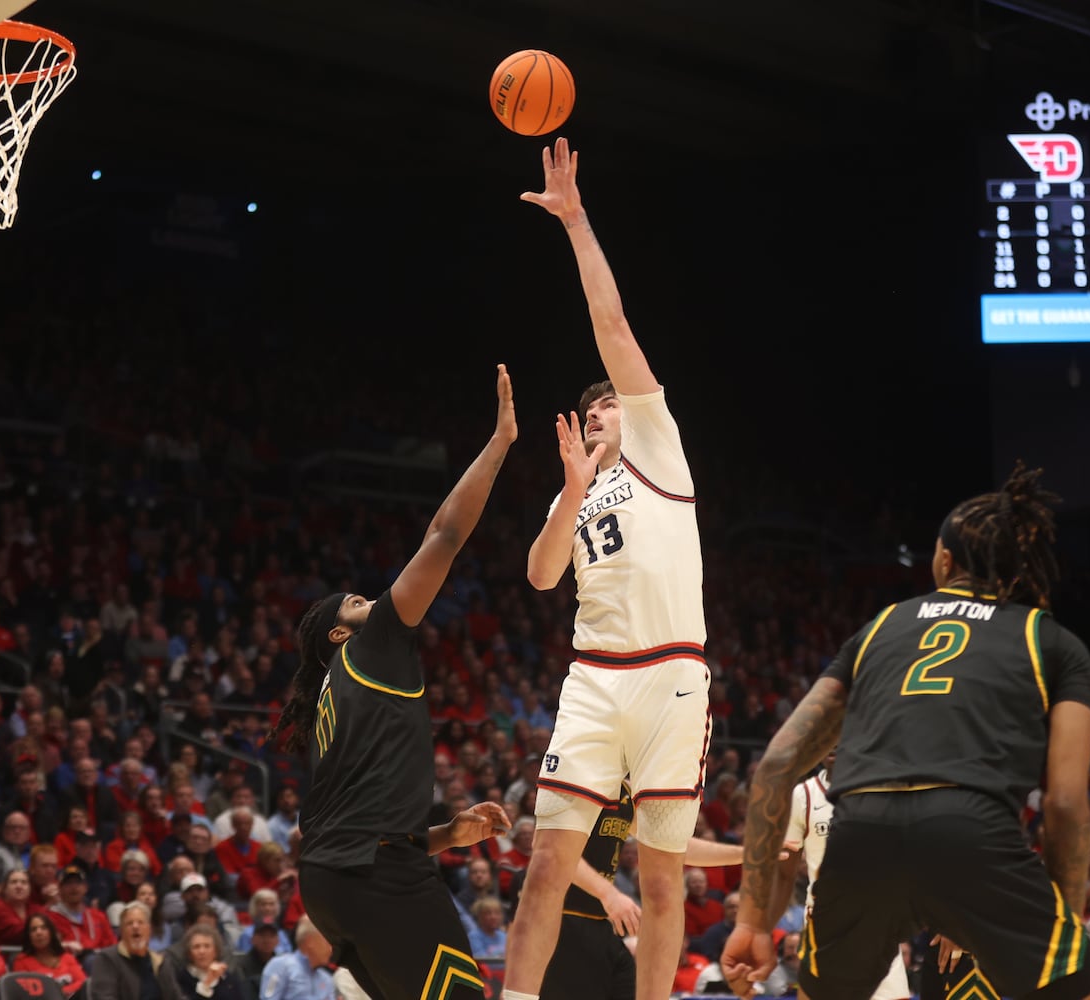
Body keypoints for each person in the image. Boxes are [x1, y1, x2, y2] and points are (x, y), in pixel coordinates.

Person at [720, 464, 1090, 1000]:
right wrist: (1060, 936)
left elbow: (775, 766)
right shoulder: (1052, 640)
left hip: (861, 833)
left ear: (945, 560)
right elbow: (1066, 803)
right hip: (971, 834)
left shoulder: (880, 627)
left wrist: (750, 923)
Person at [501, 136, 711, 1000]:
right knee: (547, 862)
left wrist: (577, 223)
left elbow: (612, 327)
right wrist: (568, 491)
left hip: (670, 676)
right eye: (586, 412)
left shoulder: (659, 448)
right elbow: (541, 577)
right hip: (594, 676)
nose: (596, 415)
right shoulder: (580, 493)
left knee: (661, 879)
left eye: (605, 409)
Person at [268, 365, 517, 1000]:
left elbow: (352, 821)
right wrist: (499, 443)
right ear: (337, 633)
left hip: (331, 884)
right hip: (378, 880)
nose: (368, 601)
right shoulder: (368, 646)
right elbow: (446, 534)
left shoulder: (330, 700)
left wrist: (448, 836)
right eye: (353, 601)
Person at [540, 781, 744, 1000]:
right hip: (558, 923)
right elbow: (551, 850)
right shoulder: (581, 779)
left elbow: (673, 846)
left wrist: (747, 855)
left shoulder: (625, 791)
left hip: (600, 926)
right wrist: (609, 894)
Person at [768, 752, 910, 1000]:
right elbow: (783, 873)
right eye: (828, 737)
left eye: (840, 735)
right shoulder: (804, 795)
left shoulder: (886, 790)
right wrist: (762, 929)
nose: (833, 745)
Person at [87, 901, 189, 1000]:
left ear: (149, 930)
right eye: (129, 923)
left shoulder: (160, 962)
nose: (135, 927)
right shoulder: (107, 959)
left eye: (140, 922)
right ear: (121, 931)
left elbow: (175, 996)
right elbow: (104, 997)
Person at [13, 912, 88, 998]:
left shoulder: (67, 957)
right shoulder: (22, 961)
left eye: (43, 928)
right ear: (28, 936)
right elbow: (24, 992)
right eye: (33, 929)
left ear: (51, 932)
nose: (39, 933)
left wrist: (61, 992)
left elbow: (82, 982)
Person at [259, 918, 336, 1000]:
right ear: (310, 941)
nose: (331, 949)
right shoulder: (280, 966)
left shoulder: (326, 979)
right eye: (327, 942)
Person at [171, 924, 247, 1000]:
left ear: (216, 951)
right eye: (196, 947)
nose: (202, 951)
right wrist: (207, 983)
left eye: (207, 946)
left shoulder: (228, 979)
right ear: (189, 953)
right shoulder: (181, 979)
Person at [0, 869, 45, 947]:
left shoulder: (35, 908)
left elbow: (49, 928)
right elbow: (18, 934)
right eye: (13, 882)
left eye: (24, 882)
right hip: (2, 957)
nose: (19, 886)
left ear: (30, 889)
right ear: (5, 888)